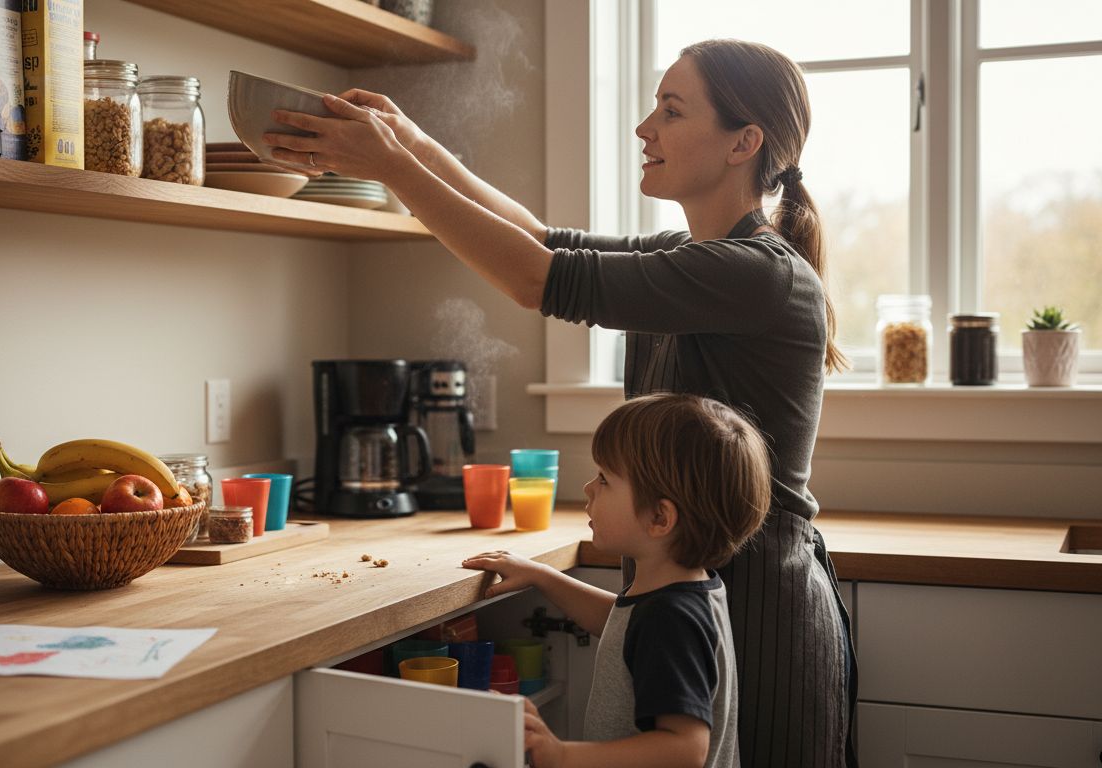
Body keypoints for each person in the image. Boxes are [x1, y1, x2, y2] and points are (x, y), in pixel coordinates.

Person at [265, 38, 856, 767]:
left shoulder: (755, 272)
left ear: (744, 142)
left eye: (672, 111)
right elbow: (542, 240)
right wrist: (411, 142)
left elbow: (536, 276)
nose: (644, 128)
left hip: (762, 608)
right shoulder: (694, 256)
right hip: (701, 585)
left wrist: (391, 165)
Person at [463, 393, 771, 768]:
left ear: (659, 518)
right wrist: (542, 576)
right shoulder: (685, 591)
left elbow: (686, 749)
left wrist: (562, 755)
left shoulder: (669, 618)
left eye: (605, 479)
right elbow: (623, 625)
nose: (588, 487)